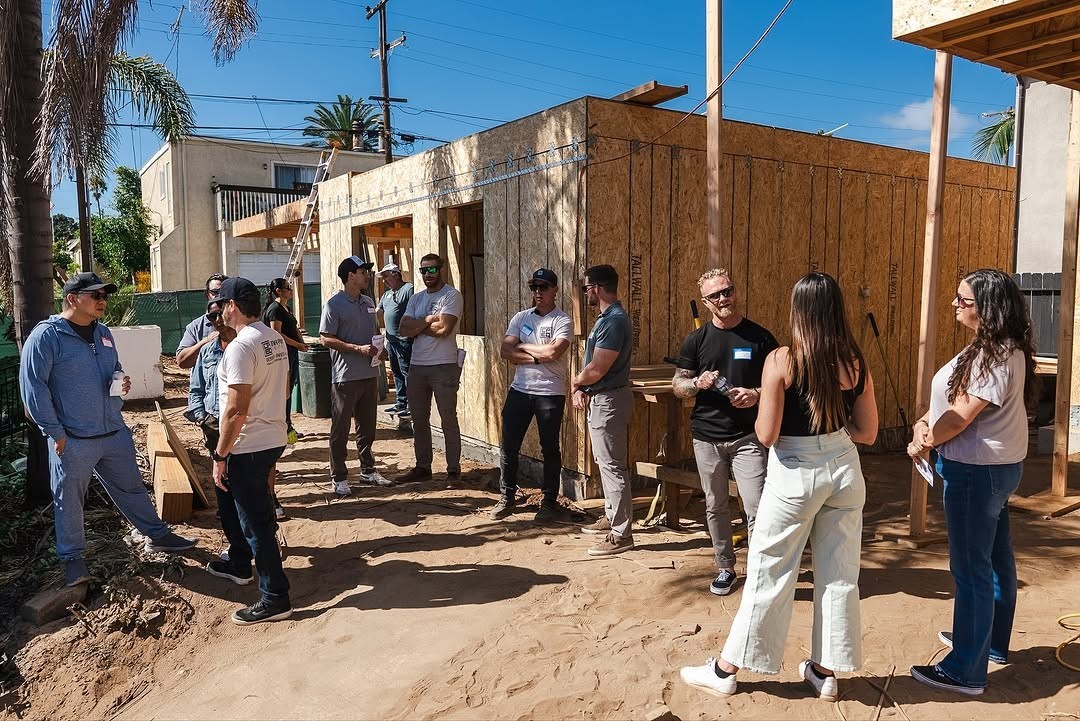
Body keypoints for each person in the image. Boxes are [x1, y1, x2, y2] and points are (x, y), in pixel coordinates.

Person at [680, 271, 877, 701]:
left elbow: (766, 435)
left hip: (795, 469)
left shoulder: (782, 360)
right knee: (839, 574)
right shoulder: (854, 360)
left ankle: (725, 668)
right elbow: (868, 431)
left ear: (799, 310)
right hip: (844, 467)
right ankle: (825, 671)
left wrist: (763, 403)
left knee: (769, 570)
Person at [20, 272, 197, 588]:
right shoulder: (46, 337)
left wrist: (121, 379)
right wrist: (55, 433)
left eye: (105, 296)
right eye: (95, 295)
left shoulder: (103, 333)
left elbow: (112, 369)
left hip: (113, 433)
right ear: (73, 299)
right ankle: (74, 561)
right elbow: (33, 388)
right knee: (69, 502)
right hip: (73, 440)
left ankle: (157, 536)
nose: (103, 301)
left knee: (132, 489)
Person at [907, 269, 1036, 696]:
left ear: (988, 307)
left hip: (976, 472)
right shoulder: (997, 349)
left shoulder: (995, 355)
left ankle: (966, 668)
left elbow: (961, 416)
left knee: (970, 568)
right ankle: (987, 643)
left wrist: (926, 437)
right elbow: (951, 405)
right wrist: (927, 422)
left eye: (964, 300)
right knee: (995, 558)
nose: (955, 305)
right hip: (991, 469)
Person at [672, 269, 778, 596]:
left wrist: (758, 394)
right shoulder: (696, 340)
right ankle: (725, 568)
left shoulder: (760, 338)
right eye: (715, 295)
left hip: (748, 436)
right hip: (707, 437)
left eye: (727, 291)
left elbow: (783, 383)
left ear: (735, 291)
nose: (723, 299)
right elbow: (678, 385)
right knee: (715, 504)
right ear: (705, 302)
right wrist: (696, 383)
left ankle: (761, 571)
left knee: (757, 505)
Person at [206, 277, 293, 625]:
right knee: (248, 510)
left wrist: (220, 455)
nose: (219, 311)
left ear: (232, 306)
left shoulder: (241, 347)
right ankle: (242, 565)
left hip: (248, 446)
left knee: (256, 523)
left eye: (221, 305)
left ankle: (275, 597)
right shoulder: (273, 338)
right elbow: (283, 390)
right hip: (271, 438)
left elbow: (235, 409)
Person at [489, 269, 579, 524]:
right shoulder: (520, 317)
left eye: (544, 287)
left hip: (549, 393)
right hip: (520, 390)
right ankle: (506, 497)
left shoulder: (563, 320)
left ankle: (549, 502)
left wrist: (525, 347)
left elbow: (554, 353)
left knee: (549, 448)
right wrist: (538, 355)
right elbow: (505, 350)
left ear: (555, 290)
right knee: (509, 444)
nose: (538, 292)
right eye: (534, 287)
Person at [572, 264, 634, 557]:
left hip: (609, 401)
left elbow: (598, 368)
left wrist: (576, 382)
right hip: (602, 399)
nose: (586, 294)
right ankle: (611, 515)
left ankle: (621, 534)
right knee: (605, 461)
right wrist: (584, 387)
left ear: (596, 288)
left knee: (612, 467)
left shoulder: (614, 321)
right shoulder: (607, 318)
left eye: (586, 289)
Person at [319, 256, 391, 495]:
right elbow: (325, 338)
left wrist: (381, 350)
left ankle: (368, 471)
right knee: (340, 429)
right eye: (363, 272)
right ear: (351, 276)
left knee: (367, 427)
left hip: (369, 374)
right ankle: (339, 476)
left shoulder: (369, 301)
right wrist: (356, 349)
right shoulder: (333, 305)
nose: (367, 275)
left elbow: (375, 332)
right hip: (345, 377)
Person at [396, 253, 465, 483]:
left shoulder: (451, 295)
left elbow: (445, 329)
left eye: (432, 270)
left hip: (444, 366)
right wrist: (427, 321)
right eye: (423, 270)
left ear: (441, 269)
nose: (428, 274)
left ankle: (453, 469)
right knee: (419, 419)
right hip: (417, 367)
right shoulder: (416, 299)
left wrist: (417, 326)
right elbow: (403, 329)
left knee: (448, 418)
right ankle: (423, 467)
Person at [184, 300, 236, 454]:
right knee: (219, 472)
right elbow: (196, 388)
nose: (218, 320)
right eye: (213, 316)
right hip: (213, 422)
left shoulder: (247, 347)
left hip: (242, 423)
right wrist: (202, 418)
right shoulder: (207, 351)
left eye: (221, 313)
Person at [263, 277, 309, 445]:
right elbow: (277, 334)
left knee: (288, 390)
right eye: (287, 288)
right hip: (282, 355)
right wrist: (297, 344)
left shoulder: (286, 308)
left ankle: (287, 425)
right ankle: (283, 428)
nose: (290, 290)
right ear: (278, 291)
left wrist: (301, 343)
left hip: (292, 353)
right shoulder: (274, 309)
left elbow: (294, 328)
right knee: (284, 391)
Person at [376, 262, 414, 419]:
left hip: (404, 340)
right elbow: (378, 312)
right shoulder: (386, 295)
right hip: (391, 340)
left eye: (386, 276)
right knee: (396, 371)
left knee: (407, 372)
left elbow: (414, 311)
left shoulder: (408, 289)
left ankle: (412, 405)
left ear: (396, 274)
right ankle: (401, 402)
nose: (384, 280)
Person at [176, 273, 228, 370]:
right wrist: (207, 341)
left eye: (223, 292)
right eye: (215, 292)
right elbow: (181, 361)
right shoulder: (196, 326)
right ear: (207, 294)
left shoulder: (238, 322)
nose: (219, 296)